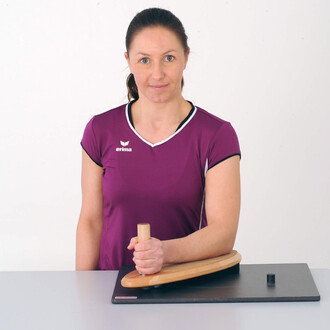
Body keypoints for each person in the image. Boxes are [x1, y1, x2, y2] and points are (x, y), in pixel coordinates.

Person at [76, 8, 241, 275]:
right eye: (144, 60)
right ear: (128, 61)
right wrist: (82, 291)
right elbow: (91, 221)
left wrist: (164, 253)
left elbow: (223, 232)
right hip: (110, 293)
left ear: (186, 57)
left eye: (168, 58)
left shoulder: (216, 135)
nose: (157, 73)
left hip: (186, 290)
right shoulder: (100, 130)